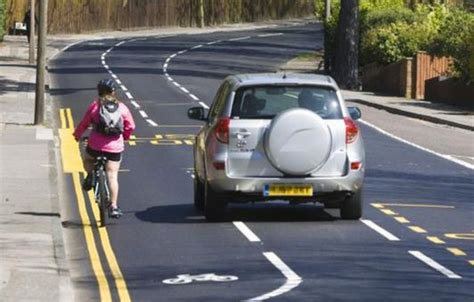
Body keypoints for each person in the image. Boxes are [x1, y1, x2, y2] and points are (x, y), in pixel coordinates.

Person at [73, 79, 135, 218]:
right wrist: (125, 136)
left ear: (99, 91)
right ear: (113, 92)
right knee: (112, 176)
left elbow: (84, 123)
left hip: (95, 146)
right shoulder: (122, 107)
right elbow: (131, 125)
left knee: (87, 158)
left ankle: (90, 175)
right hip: (114, 148)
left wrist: (77, 135)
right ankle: (113, 206)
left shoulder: (95, 107)